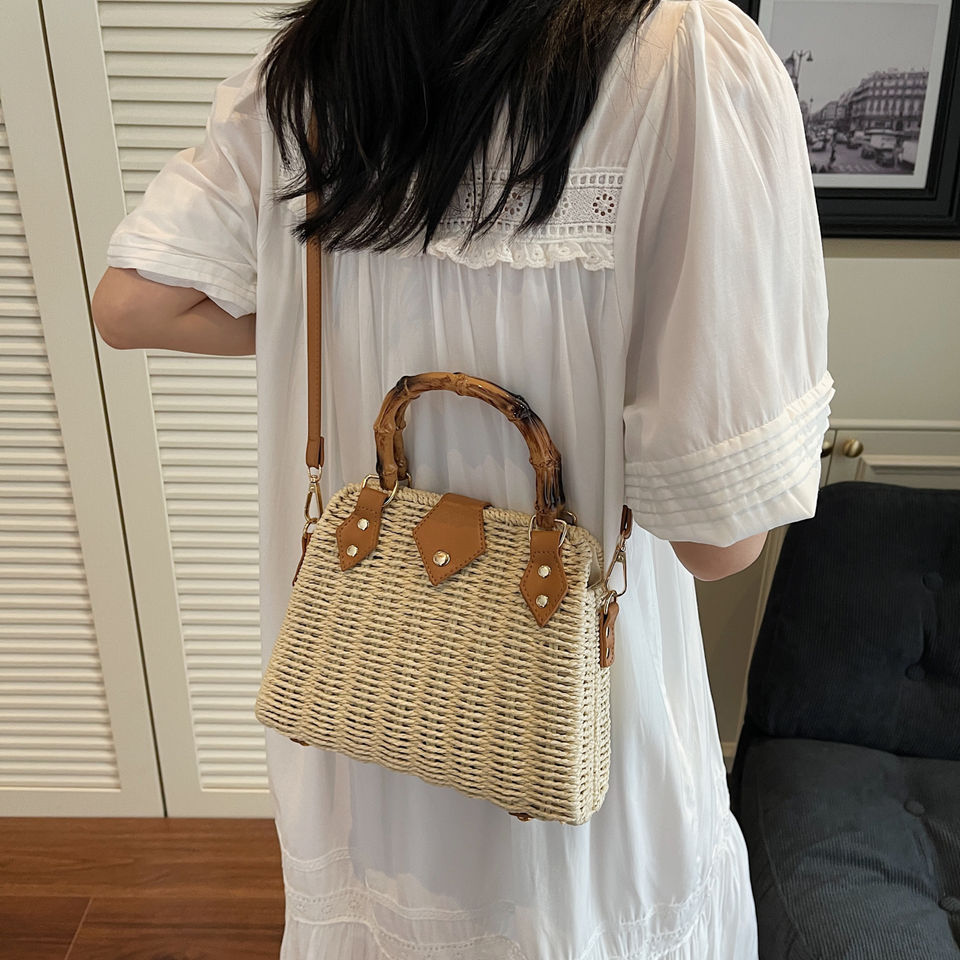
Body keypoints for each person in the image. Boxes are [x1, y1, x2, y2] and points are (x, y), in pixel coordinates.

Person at [92, 0, 834, 956]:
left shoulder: (311, 78)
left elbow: (131, 305)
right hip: (576, 726)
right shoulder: (681, 57)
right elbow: (719, 543)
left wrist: (323, 323)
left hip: (376, 704)